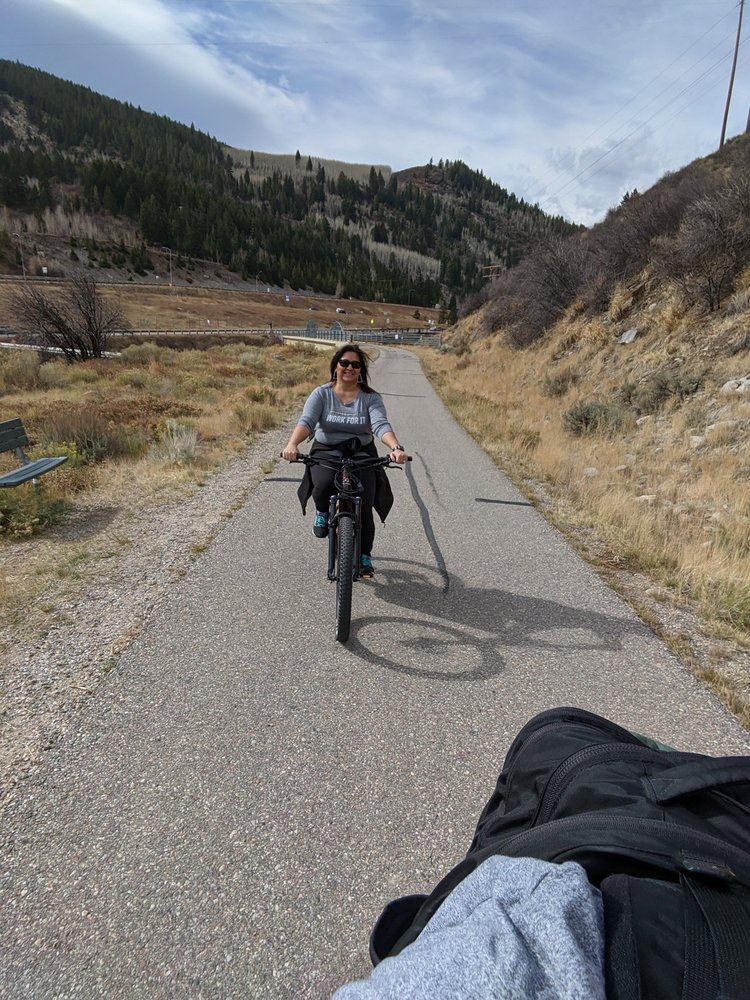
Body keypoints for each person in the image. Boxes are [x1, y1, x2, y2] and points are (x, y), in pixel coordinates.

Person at [282, 343, 408, 578]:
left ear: (361, 370)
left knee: (365, 502)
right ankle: (322, 511)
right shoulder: (322, 393)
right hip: (327, 449)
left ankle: (365, 555)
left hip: (361, 451)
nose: (350, 368)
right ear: (335, 366)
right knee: (323, 483)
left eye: (355, 365)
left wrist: (396, 448)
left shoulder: (370, 398)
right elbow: (307, 421)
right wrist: (292, 444)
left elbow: (380, 425)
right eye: (345, 363)